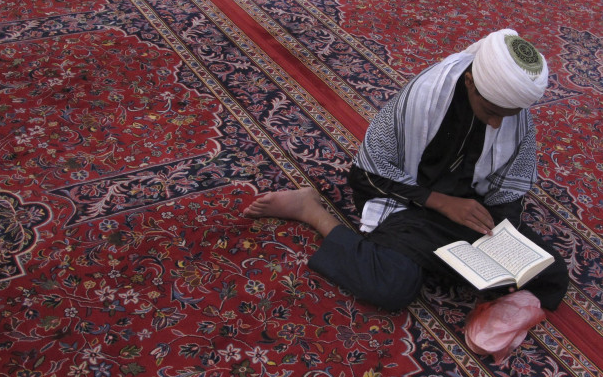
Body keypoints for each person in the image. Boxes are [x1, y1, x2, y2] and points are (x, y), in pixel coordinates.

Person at [244, 29, 569, 322]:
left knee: (549, 273)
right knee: (390, 285)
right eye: (493, 114)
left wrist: (498, 242)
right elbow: (366, 174)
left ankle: (465, 262)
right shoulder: (423, 98)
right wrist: (440, 201)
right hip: (407, 200)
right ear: (471, 83)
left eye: (509, 116)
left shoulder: (512, 111)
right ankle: (311, 211)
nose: (499, 125)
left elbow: (506, 195)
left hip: (467, 208)